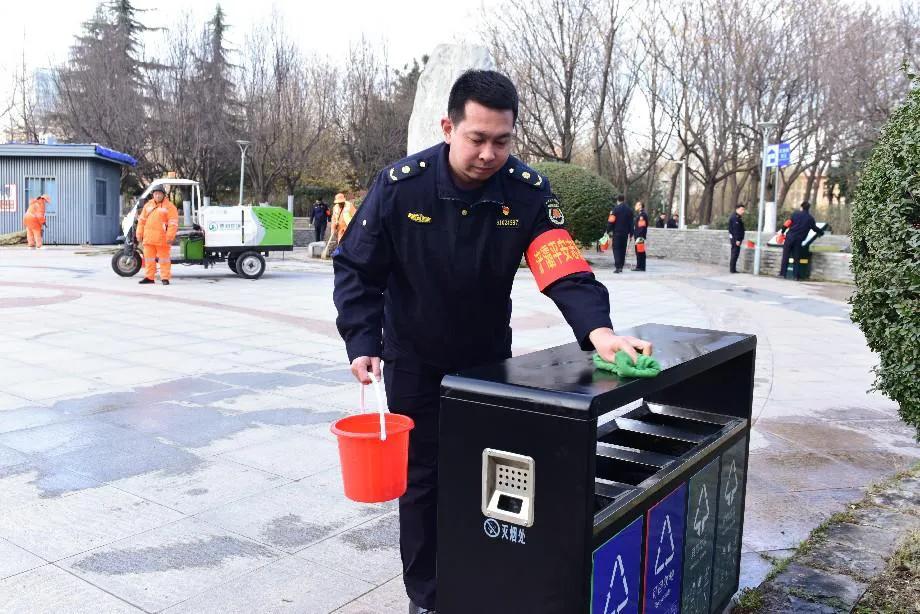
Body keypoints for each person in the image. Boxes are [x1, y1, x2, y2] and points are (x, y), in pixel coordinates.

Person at [332, 70, 652, 614]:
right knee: (425, 481)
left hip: (486, 362)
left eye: (501, 140)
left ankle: (482, 578)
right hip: (414, 360)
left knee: (483, 474)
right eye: (476, 138)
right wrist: (364, 340)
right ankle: (428, 596)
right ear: (448, 127)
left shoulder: (526, 192)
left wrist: (598, 331)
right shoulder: (400, 185)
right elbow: (357, 269)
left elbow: (563, 268)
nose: (488, 153)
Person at [136, 187, 179, 285]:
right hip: (148, 238)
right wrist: (139, 234)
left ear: (164, 195)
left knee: (164, 259)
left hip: (162, 238)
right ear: (153, 195)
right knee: (148, 259)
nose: (158, 195)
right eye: (156, 193)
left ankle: (165, 278)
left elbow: (173, 223)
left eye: (160, 193)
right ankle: (149, 277)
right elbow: (141, 221)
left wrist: (170, 237)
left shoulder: (170, 207)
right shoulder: (148, 205)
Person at [779, 201, 823, 280]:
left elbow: (787, 223)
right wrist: (821, 232)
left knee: (785, 257)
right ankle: (795, 276)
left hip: (789, 238)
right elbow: (815, 228)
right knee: (796, 258)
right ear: (808, 208)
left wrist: (782, 231)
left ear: (801, 207)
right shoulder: (810, 218)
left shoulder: (795, 214)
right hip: (798, 240)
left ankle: (782, 274)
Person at [322, 193, 356, 259]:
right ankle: (341, 255)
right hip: (340, 229)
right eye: (339, 203)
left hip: (349, 228)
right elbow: (334, 219)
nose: (340, 204)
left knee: (348, 242)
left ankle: (347, 256)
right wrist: (333, 229)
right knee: (340, 242)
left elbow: (355, 216)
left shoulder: (349, 206)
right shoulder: (335, 208)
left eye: (341, 202)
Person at [606, 195, 633, 273]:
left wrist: (607, 230)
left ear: (617, 200)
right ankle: (621, 266)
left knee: (616, 249)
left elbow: (611, 221)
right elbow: (631, 223)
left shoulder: (615, 209)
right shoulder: (629, 210)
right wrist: (631, 234)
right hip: (625, 234)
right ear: (624, 200)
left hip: (617, 233)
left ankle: (618, 267)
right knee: (623, 249)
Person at [631, 201, 649, 271]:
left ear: (640, 206)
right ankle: (640, 266)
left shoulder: (642, 215)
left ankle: (640, 267)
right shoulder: (640, 214)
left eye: (637, 205)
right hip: (639, 236)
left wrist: (639, 237)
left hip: (640, 236)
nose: (635, 206)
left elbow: (642, 227)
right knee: (639, 251)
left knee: (640, 251)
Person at [728, 204, 746, 273]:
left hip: (736, 239)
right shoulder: (735, 218)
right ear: (737, 209)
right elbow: (736, 230)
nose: (743, 211)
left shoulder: (738, 217)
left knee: (735, 253)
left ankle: (733, 269)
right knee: (735, 253)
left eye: (743, 210)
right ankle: (732, 269)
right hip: (736, 240)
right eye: (742, 209)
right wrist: (738, 239)